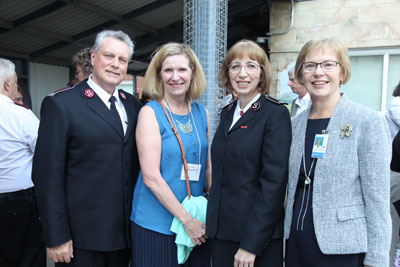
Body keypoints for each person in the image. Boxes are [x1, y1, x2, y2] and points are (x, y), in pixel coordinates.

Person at [32, 30, 142, 267]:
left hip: (123, 235)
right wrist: (56, 235)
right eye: (109, 56)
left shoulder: (132, 104)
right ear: (93, 57)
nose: (115, 64)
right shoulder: (62, 104)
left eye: (122, 60)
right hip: (81, 238)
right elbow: (47, 176)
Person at [284, 38, 391, 267]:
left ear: (343, 73)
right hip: (296, 244)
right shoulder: (294, 125)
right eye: (310, 65)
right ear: (301, 74)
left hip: (344, 249)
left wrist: (377, 260)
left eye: (328, 65)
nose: (318, 72)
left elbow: (378, 201)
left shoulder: (367, 122)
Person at [206, 40, 291, 267]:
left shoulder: (275, 114)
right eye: (235, 66)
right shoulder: (227, 113)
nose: (242, 73)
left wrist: (251, 244)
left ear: (262, 74)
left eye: (251, 66)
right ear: (227, 73)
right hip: (222, 232)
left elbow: (273, 185)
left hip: (253, 238)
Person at [130, 42, 211, 267]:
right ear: (159, 75)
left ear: (193, 72)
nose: (175, 77)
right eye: (168, 70)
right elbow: (151, 177)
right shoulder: (150, 113)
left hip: (198, 222)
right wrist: (187, 221)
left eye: (182, 70)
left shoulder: (202, 112)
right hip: (158, 223)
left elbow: (208, 166)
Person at [0, 58, 46, 267]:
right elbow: (44, 154)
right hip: (18, 204)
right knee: (27, 260)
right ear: (8, 85)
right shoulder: (21, 116)